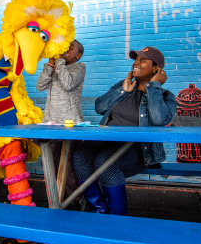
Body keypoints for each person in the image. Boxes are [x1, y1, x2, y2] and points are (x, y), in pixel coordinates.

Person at [72, 46, 177, 215]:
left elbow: (159, 119)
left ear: (156, 68)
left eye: (143, 60)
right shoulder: (123, 86)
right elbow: (99, 107)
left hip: (137, 148)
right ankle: (98, 211)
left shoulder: (165, 96)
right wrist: (123, 90)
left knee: (106, 161)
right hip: (107, 141)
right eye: (136, 60)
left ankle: (117, 218)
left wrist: (154, 86)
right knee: (80, 154)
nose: (136, 63)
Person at [37, 40, 86, 209]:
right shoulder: (56, 66)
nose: (64, 48)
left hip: (70, 123)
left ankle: (73, 200)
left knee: (69, 164)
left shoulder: (79, 68)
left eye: (69, 48)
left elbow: (68, 84)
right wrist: (50, 65)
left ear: (77, 56)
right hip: (51, 122)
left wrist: (59, 63)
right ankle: (55, 198)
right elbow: (40, 86)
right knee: (52, 162)